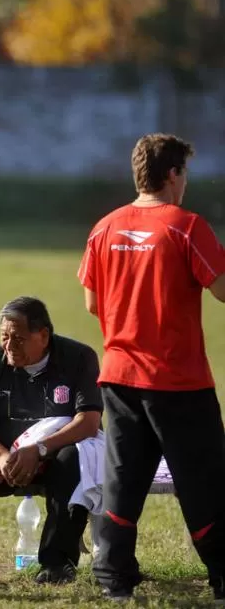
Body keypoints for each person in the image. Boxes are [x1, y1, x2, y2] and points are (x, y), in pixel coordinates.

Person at [78, 133, 225, 602]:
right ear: (174, 174)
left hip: (119, 377)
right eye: (185, 174)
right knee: (204, 480)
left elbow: (91, 302)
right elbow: (223, 289)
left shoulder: (105, 227)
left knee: (124, 478)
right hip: (178, 381)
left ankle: (112, 576)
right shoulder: (187, 226)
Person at [0, 297, 103, 585]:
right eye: (4, 337)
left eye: (18, 338)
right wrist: (1, 455)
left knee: (74, 458)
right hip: (6, 458)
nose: (9, 346)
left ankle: (57, 562)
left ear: (43, 336)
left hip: (55, 455)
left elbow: (89, 422)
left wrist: (39, 449)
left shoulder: (78, 358)